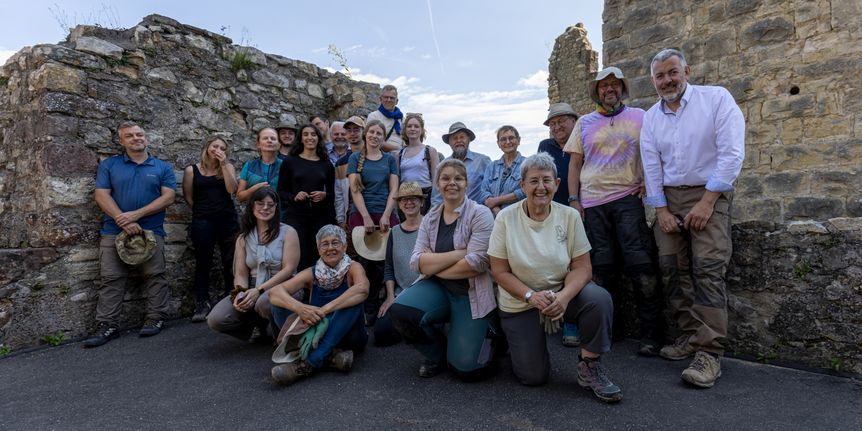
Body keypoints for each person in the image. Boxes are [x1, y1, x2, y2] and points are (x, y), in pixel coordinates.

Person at [641, 48, 745, 388]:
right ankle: (688, 335)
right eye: (660, 76)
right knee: (671, 267)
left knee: (709, 268)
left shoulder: (716, 99)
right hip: (669, 197)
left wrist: (708, 201)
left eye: (672, 72)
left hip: (710, 190)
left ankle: (709, 353)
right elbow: (652, 167)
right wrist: (660, 209)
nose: (667, 80)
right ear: (653, 80)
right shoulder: (651, 118)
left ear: (687, 70)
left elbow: (731, 153)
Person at [488, 153, 621, 403]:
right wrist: (531, 295)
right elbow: (499, 271)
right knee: (533, 377)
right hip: (520, 302)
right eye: (534, 181)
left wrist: (563, 297)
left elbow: (583, 268)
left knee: (598, 298)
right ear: (522, 185)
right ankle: (511, 340)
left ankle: (589, 365)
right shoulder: (505, 218)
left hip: (560, 295)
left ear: (557, 184)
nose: (541, 187)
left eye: (547, 180)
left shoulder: (569, 216)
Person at [563, 66, 665, 356]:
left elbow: (651, 153)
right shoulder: (584, 122)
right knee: (602, 271)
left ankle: (651, 335)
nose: (610, 89)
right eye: (604, 86)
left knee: (642, 266)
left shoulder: (640, 117)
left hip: (627, 199)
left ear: (622, 89)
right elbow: (575, 164)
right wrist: (573, 199)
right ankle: (610, 328)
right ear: (597, 91)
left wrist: (649, 179)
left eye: (615, 84)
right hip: (593, 203)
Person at [389, 159, 498, 381]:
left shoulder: (481, 214)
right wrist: (459, 254)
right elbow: (416, 261)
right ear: (438, 184)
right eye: (446, 178)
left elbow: (477, 263)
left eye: (458, 178)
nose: (452, 183)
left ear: (466, 184)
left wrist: (434, 264)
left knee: (469, 369)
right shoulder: (430, 218)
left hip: (470, 292)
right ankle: (436, 353)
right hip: (437, 288)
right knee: (400, 312)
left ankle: (493, 333)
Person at [84, 122, 176, 347]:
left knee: (155, 276)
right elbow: (101, 195)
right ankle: (108, 325)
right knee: (111, 278)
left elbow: (168, 197)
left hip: (151, 232)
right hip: (113, 231)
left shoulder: (162, 167)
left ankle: (156, 318)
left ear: (146, 137)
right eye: (130, 136)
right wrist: (122, 220)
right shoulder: (110, 165)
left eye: (139, 134)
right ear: (121, 141)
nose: (136, 138)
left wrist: (136, 215)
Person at [269, 225, 370, 386]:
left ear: (344, 247)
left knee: (352, 299)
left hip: (350, 337)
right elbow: (274, 293)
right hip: (317, 335)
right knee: (278, 305)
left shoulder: (353, 268)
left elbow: (362, 289)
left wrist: (324, 310)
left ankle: (308, 363)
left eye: (335, 243)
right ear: (318, 249)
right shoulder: (312, 273)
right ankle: (332, 356)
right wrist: (300, 308)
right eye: (325, 244)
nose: (330, 248)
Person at [207, 188, 300, 343]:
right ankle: (258, 326)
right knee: (216, 319)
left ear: (276, 207)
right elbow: (241, 273)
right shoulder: (243, 238)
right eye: (260, 203)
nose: (265, 208)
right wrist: (241, 293)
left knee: (264, 303)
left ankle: (284, 334)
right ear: (251, 206)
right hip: (252, 286)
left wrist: (259, 290)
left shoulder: (288, 232)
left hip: (283, 284)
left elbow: (289, 269)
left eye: (270, 205)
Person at [347, 120, 399, 324]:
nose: (375, 136)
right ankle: (367, 306)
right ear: (365, 134)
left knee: (387, 259)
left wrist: (386, 214)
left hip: (385, 211)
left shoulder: (390, 159)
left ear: (383, 138)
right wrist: (367, 216)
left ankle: (387, 299)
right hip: (362, 213)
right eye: (372, 132)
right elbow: (355, 190)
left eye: (379, 133)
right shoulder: (354, 158)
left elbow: (394, 188)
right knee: (365, 261)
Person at [539, 103, 582, 348]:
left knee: (575, 265)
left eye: (561, 121)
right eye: (552, 123)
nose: (556, 127)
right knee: (556, 263)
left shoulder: (583, 140)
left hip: (579, 211)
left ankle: (571, 321)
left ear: (574, 121)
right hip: (552, 213)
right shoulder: (545, 147)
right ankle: (553, 315)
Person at [182, 136, 239, 322]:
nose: (218, 149)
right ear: (207, 147)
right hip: (203, 220)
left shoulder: (228, 168)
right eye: (215, 146)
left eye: (222, 147)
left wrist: (223, 164)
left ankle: (231, 298)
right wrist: (203, 212)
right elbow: (189, 197)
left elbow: (232, 190)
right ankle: (202, 302)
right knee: (203, 261)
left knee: (230, 260)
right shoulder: (192, 170)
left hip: (227, 219)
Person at [373, 182, 425, 346]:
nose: (408, 203)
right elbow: (389, 267)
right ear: (399, 204)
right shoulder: (394, 232)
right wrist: (390, 296)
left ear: (421, 202)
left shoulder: (429, 227)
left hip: (424, 292)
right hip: (400, 293)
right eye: (403, 200)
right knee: (381, 334)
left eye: (413, 199)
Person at [278, 124, 336, 271]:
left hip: (320, 217)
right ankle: (298, 290)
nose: (310, 137)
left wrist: (324, 195)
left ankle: (315, 290)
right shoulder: (290, 162)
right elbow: (281, 191)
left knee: (318, 254)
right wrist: (294, 197)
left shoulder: (327, 164)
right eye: (306, 134)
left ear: (318, 138)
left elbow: (332, 194)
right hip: (296, 216)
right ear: (301, 139)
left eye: (313, 134)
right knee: (299, 254)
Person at [430, 122, 491, 206]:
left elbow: (491, 189)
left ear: (468, 140)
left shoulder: (483, 161)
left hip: (476, 215)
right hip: (450, 215)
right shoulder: (442, 166)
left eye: (462, 137)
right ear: (449, 142)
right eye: (454, 138)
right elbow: (436, 198)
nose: (459, 141)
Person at [479, 125, 526, 217]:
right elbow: (484, 192)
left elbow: (526, 191)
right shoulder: (491, 166)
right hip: (493, 219)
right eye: (503, 139)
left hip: (518, 217)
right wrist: (498, 212)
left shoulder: (528, 164)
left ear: (518, 140)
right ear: (498, 144)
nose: (507, 142)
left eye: (511, 138)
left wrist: (496, 201)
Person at [397, 113, 438, 214]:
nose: (412, 129)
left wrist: (435, 203)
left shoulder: (430, 151)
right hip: (406, 197)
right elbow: (397, 180)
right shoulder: (400, 154)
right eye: (409, 126)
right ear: (405, 130)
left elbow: (436, 180)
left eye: (416, 126)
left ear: (421, 130)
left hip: (425, 196)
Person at [334, 116, 365, 227]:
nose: (352, 133)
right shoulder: (341, 163)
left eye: (356, 130)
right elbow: (339, 195)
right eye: (349, 130)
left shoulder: (374, 156)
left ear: (364, 132)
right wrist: (341, 219)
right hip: (351, 214)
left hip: (374, 211)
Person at [237, 127, 282, 202]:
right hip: (255, 212)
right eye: (265, 138)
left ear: (279, 144)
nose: (269, 140)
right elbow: (240, 197)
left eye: (273, 138)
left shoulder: (285, 165)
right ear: (258, 144)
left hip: (280, 212)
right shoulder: (249, 166)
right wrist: (255, 188)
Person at [365, 84, 403, 152]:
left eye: (392, 98)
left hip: (402, 157)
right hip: (381, 155)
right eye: (386, 97)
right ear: (380, 99)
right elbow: (374, 140)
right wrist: (399, 150)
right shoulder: (374, 116)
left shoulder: (402, 118)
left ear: (397, 101)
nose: (388, 100)